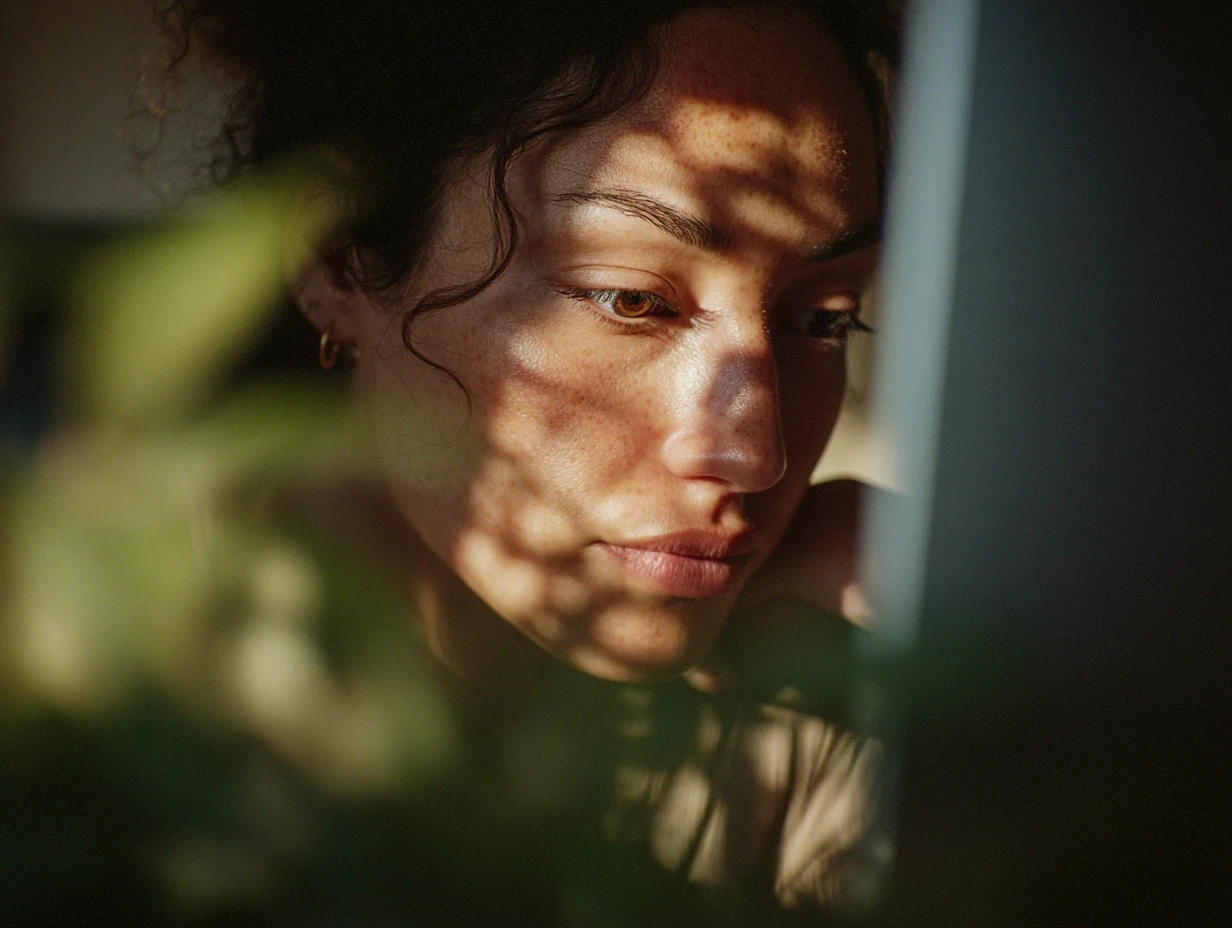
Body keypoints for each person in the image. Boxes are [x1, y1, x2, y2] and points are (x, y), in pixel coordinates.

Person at [166, 0, 899, 918]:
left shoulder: (813, 727)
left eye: (823, 318)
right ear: (342, 262)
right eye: (632, 300)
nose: (754, 452)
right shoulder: (89, 713)